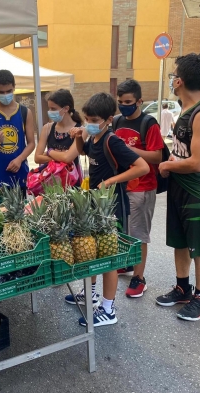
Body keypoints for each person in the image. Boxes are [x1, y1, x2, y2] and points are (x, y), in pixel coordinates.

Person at [48, 92, 149, 327]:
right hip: (94, 203)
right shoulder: (93, 139)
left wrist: (112, 181)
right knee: (92, 251)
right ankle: (90, 292)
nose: (89, 124)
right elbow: (83, 153)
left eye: (94, 120)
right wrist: (79, 137)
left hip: (110, 206)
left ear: (108, 120)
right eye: (87, 119)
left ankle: (108, 308)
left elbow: (142, 167)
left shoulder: (112, 140)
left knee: (109, 259)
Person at [156, 53, 200, 321]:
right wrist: (173, 160)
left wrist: (167, 166)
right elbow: (185, 153)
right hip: (181, 189)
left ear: (179, 80)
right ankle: (183, 288)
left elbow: (197, 163)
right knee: (180, 243)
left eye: (173, 75)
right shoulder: (184, 109)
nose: (172, 79)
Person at [114, 79, 164, 298]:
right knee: (124, 230)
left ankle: (139, 278)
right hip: (122, 186)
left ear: (139, 101)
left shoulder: (148, 123)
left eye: (128, 102)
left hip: (142, 187)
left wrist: (128, 150)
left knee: (139, 234)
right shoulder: (116, 122)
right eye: (120, 101)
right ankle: (128, 263)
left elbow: (157, 155)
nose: (123, 105)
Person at [0, 69, 35, 189]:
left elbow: (31, 143)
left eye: (8, 91)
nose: (5, 95)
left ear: (14, 87)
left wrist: (19, 159)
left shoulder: (25, 112)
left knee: (19, 208)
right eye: (1, 92)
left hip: (19, 174)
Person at [34, 89, 84, 186]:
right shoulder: (47, 128)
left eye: (53, 109)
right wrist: (60, 158)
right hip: (51, 182)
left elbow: (67, 158)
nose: (50, 112)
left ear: (66, 108)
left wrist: (49, 152)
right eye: (49, 108)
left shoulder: (80, 130)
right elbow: (37, 158)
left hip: (72, 182)